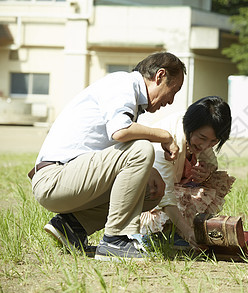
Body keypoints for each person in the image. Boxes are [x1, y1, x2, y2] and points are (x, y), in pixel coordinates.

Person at [29, 52, 186, 261]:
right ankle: (116, 240)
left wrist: (148, 170)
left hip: (71, 178)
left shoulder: (129, 97)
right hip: (55, 178)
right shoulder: (123, 84)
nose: (170, 101)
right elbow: (120, 131)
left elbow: (116, 148)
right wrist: (164, 136)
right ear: (159, 76)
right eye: (173, 90)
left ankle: (72, 226)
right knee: (141, 148)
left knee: (151, 189)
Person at [137, 96, 234, 249]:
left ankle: (173, 232)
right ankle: (151, 233)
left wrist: (207, 172)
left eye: (213, 142)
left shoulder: (200, 137)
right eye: (202, 138)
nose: (205, 146)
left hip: (171, 189)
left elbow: (212, 163)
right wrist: (189, 232)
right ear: (190, 126)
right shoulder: (168, 140)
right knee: (169, 197)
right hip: (148, 192)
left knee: (209, 185)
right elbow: (165, 195)